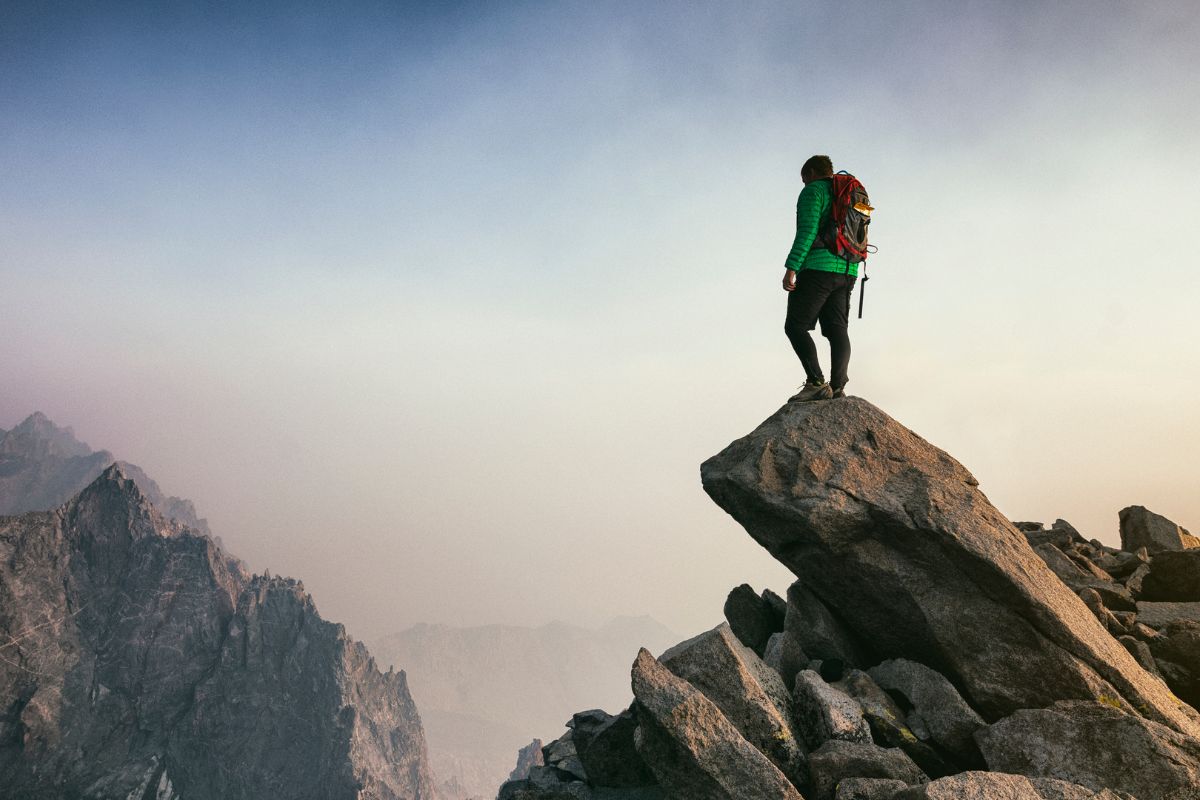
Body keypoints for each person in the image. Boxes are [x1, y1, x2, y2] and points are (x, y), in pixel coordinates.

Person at [781, 154, 858, 402]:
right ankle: (837, 388)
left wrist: (792, 267)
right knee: (837, 329)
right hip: (848, 269)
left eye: (804, 179)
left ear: (811, 173)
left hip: (817, 268)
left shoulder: (813, 191)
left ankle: (816, 382)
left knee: (795, 326)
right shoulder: (848, 193)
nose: (804, 184)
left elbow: (807, 230)